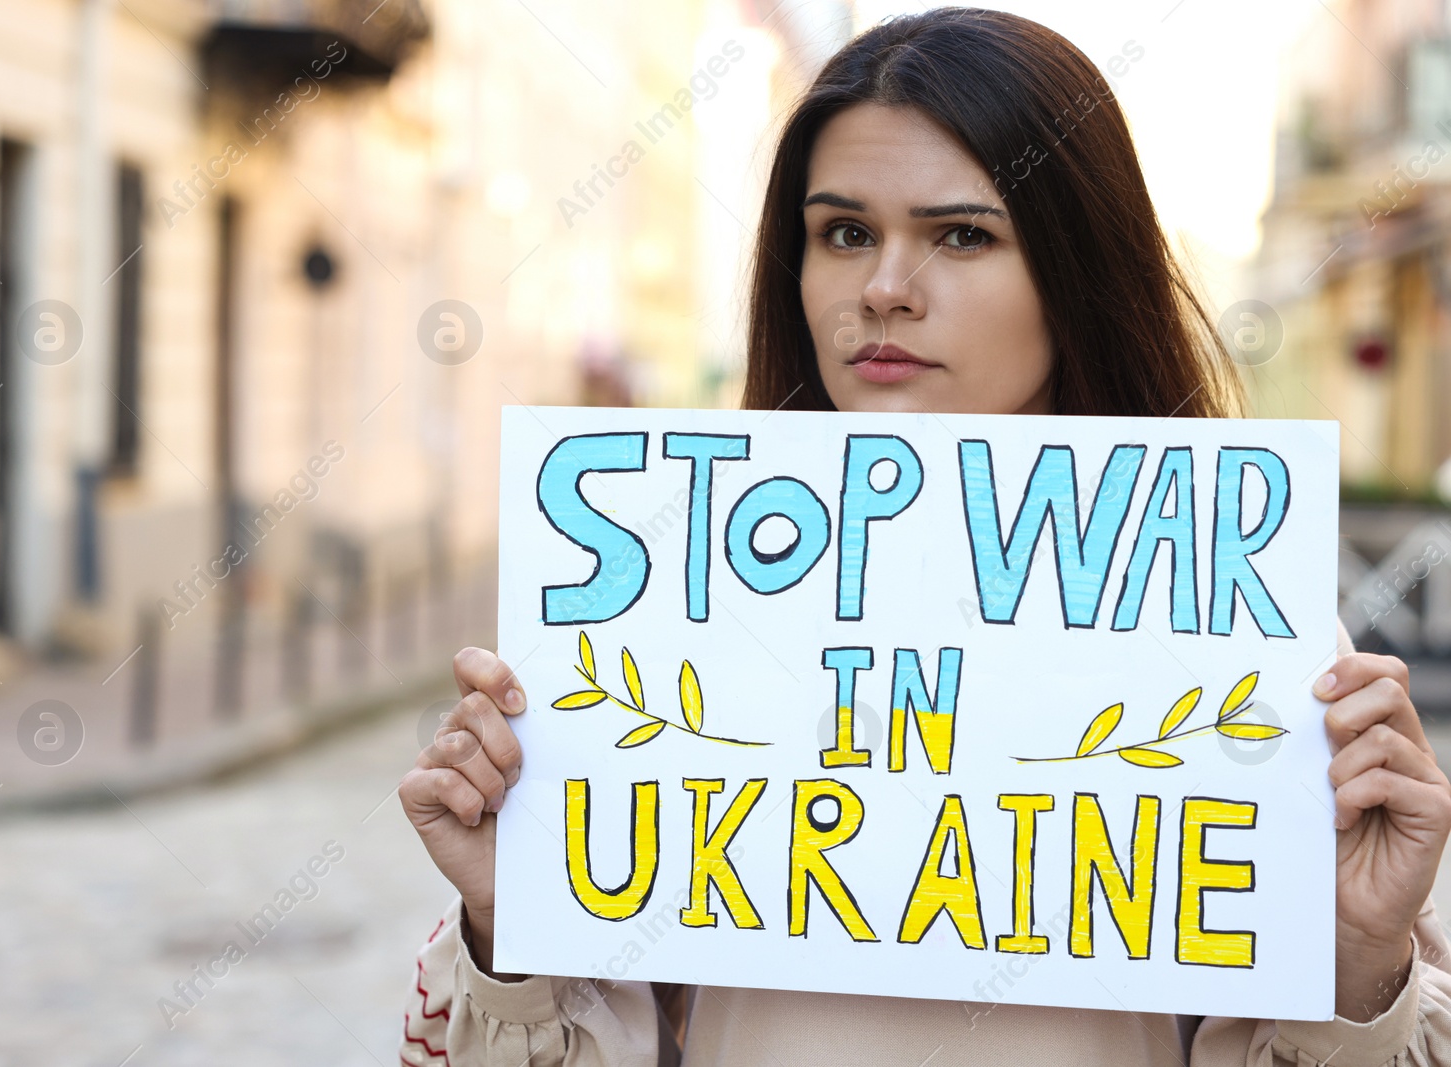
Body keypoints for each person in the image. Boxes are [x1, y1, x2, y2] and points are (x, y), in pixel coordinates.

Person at [398, 9, 1451, 1064]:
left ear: (1074, 269)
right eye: (843, 232)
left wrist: (1357, 956)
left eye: (962, 234)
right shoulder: (673, 595)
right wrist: (512, 922)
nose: (884, 289)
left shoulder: (1235, 623)